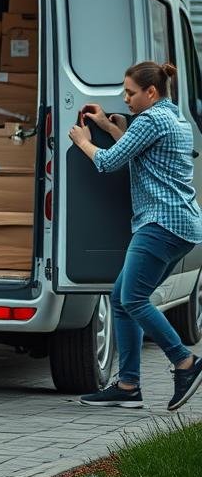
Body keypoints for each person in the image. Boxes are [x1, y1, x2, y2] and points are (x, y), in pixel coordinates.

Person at [71, 61, 202, 411]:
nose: (124, 98)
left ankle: (185, 363)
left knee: (133, 299)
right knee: (121, 298)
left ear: (151, 92)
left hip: (160, 223)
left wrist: (84, 141)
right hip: (180, 225)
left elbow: (109, 162)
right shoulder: (173, 117)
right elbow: (141, 153)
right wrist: (108, 127)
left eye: (130, 92)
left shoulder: (150, 120)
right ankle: (128, 385)